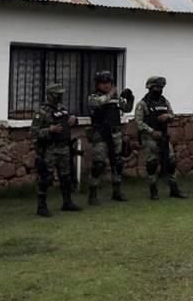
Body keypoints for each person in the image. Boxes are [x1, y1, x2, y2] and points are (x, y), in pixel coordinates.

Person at [31, 83, 82, 216]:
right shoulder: (41, 112)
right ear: (49, 95)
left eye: (61, 94)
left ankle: (67, 202)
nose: (59, 96)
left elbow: (69, 121)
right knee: (46, 178)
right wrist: (49, 130)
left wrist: (73, 120)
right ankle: (41, 206)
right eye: (57, 94)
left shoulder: (62, 109)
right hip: (49, 149)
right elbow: (33, 133)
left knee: (65, 177)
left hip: (64, 147)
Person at [134, 76, 187, 200]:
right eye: (156, 87)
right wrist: (151, 131)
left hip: (163, 135)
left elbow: (172, 115)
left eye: (161, 87)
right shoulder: (143, 104)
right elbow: (139, 122)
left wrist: (167, 116)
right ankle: (153, 190)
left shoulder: (164, 101)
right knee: (152, 163)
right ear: (150, 88)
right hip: (150, 137)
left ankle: (174, 189)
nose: (159, 90)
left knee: (171, 161)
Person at [87, 71, 134, 205]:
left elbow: (127, 109)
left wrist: (130, 97)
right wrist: (110, 94)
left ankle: (117, 191)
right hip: (101, 134)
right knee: (99, 164)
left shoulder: (115, 97)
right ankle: (93, 194)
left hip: (115, 133)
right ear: (98, 84)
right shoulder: (93, 97)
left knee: (117, 163)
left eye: (109, 83)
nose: (107, 85)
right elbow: (97, 104)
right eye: (104, 83)